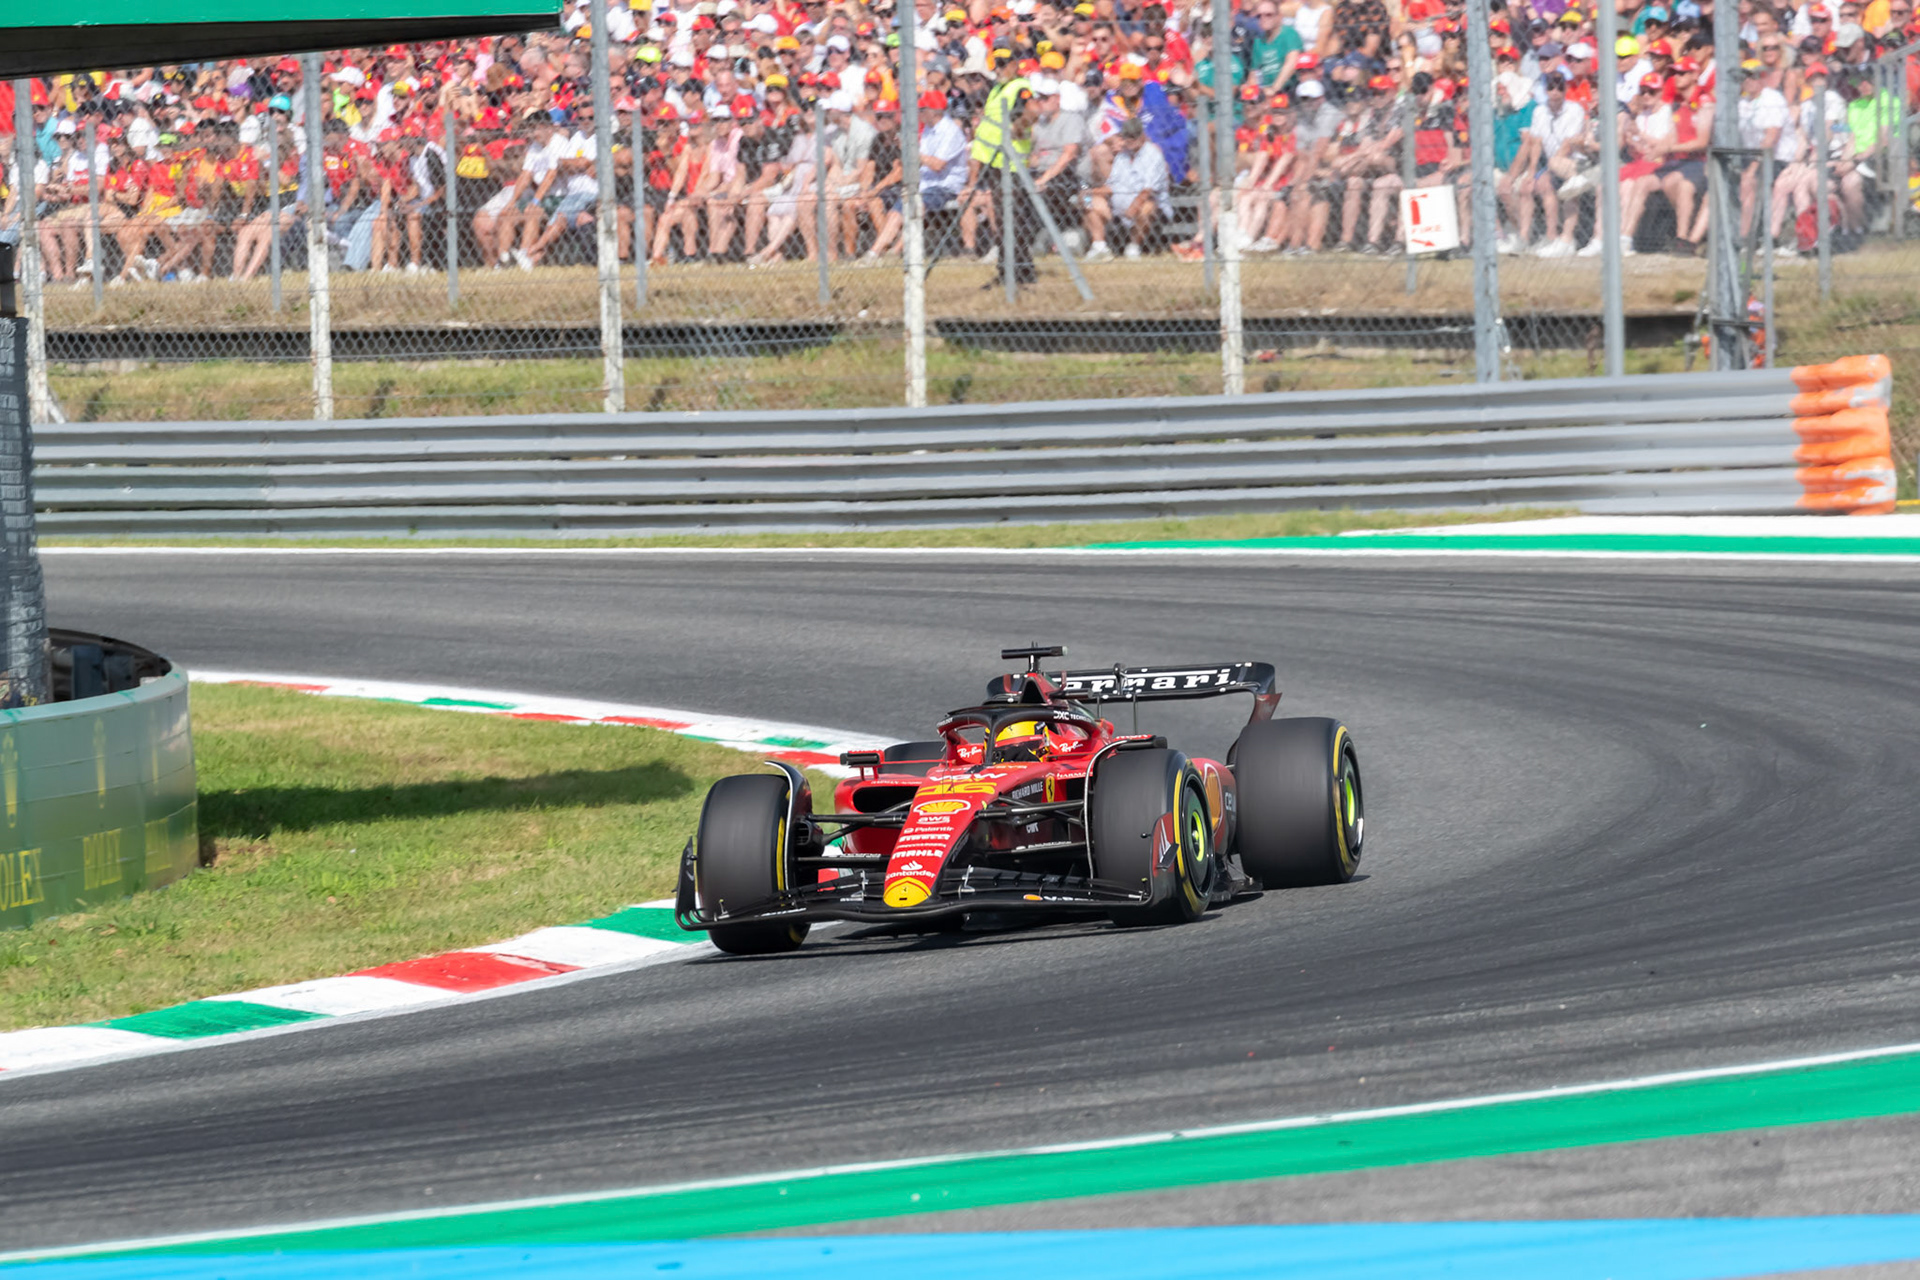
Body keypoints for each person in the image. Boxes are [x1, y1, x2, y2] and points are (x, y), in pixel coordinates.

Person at [1084, 115, 1168, 258]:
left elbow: (1148, 191)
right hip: (1117, 205)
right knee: (1090, 201)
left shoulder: (1153, 155)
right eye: (1126, 137)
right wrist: (1089, 192)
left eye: (1133, 137)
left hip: (1142, 205)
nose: (1129, 141)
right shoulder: (1122, 156)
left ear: (1142, 136)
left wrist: (1132, 208)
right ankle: (1099, 247)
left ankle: (1133, 246)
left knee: (1147, 207)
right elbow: (1112, 185)